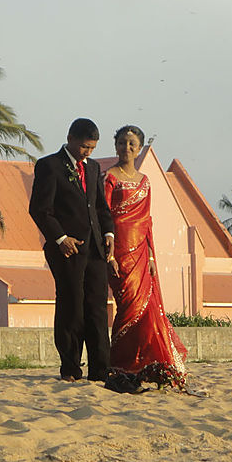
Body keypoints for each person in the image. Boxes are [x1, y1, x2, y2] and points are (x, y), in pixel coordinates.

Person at [29, 118, 116, 382]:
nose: (87, 152)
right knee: (72, 308)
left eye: (92, 148)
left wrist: (109, 233)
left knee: (97, 309)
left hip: (96, 250)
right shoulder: (49, 166)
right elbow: (40, 210)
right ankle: (70, 368)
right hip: (67, 251)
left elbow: (100, 207)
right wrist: (61, 238)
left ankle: (100, 369)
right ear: (70, 139)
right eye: (84, 147)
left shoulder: (93, 168)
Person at [103, 125, 188, 389]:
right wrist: (109, 255)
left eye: (132, 144)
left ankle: (145, 364)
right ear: (115, 145)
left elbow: (147, 221)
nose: (126, 148)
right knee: (127, 307)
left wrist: (151, 257)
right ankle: (120, 364)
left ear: (139, 149)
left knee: (146, 311)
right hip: (119, 252)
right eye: (122, 143)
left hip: (141, 252)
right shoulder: (110, 177)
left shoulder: (145, 181)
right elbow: (104, 216)